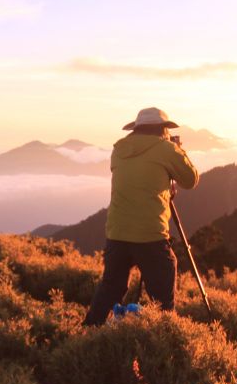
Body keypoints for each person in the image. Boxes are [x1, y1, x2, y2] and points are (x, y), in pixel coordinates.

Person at [83, 107, 200, 326]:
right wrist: (178, 150)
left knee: (111, 287)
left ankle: (90, 329)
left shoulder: (119, 150)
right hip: (150, 233)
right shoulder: (167, 149)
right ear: (162, 129)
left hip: (117, 231)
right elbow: (190, 180)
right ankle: (163, 333)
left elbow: (140, 178)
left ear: (136, 129)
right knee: (162, 295)